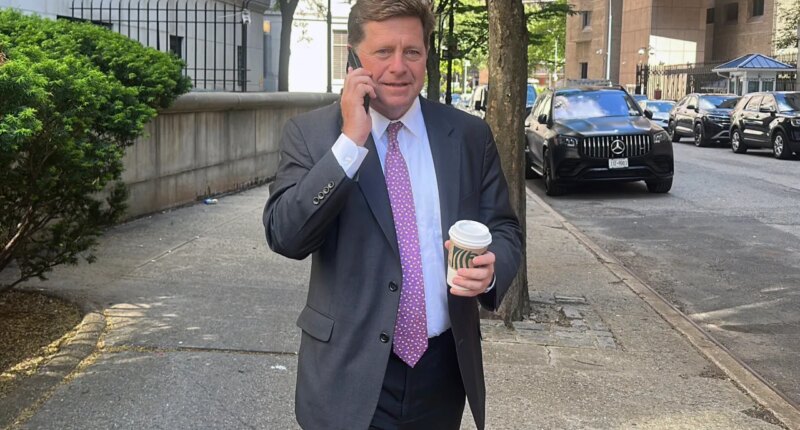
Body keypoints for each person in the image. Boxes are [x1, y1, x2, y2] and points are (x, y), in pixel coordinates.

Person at [263, 0, 522, 428]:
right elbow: (285, 235)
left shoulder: (468, 136)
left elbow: (505, 228)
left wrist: (492, 272)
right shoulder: (311, 135)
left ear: (426, 55)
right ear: (354, 57)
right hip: (348, 372)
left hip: (442, 371)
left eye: (412, 52)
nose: (399, 67)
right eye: (384, 52)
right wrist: (349, 144)